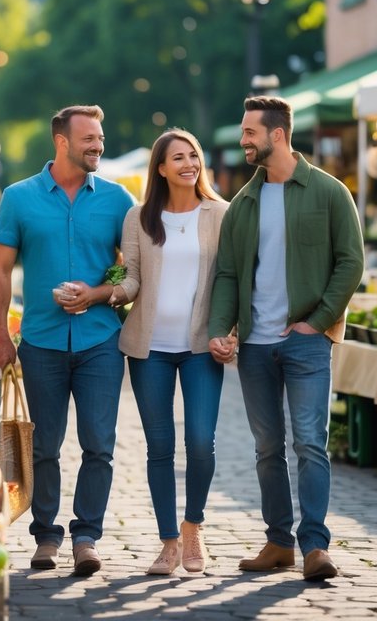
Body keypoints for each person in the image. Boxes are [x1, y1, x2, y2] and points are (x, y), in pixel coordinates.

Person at [208, 95, 364, 582]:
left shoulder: (329, 192)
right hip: (255, 346)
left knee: (311, 444)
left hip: (306, 342)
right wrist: (222, 329)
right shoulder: (243, 204)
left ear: (277, 134)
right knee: (267, 448)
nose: (243, 140)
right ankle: (278, 543)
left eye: (250, 132)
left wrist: (317, 321)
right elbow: (229, 274)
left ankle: (315, 545)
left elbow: (350, 262)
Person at [0, 105, 135, 577]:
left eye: (100, 138)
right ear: (62, 142)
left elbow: (127, 267)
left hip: (100, 341)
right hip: (41, 342)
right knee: (43, 445)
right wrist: (0, 336)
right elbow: (0, 270)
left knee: (99, 444)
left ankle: (87, 536)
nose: (98, 146)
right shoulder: (19, 197)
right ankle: (47, 536)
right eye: (89, 138)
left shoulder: (117, 200)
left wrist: (98, 293)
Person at [108, 129, 227, 576]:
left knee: (200, 440)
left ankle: (193, 526)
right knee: (159, 446)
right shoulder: (139, 217)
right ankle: (169, 542)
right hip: (149, 348)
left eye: (193, 155)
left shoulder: (221, 214)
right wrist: (104, 293)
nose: (188, 163)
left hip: (200, 347)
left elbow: (230, 279)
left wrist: (227, 329)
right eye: (178, 157)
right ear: (161, 168)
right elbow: (133, 279)